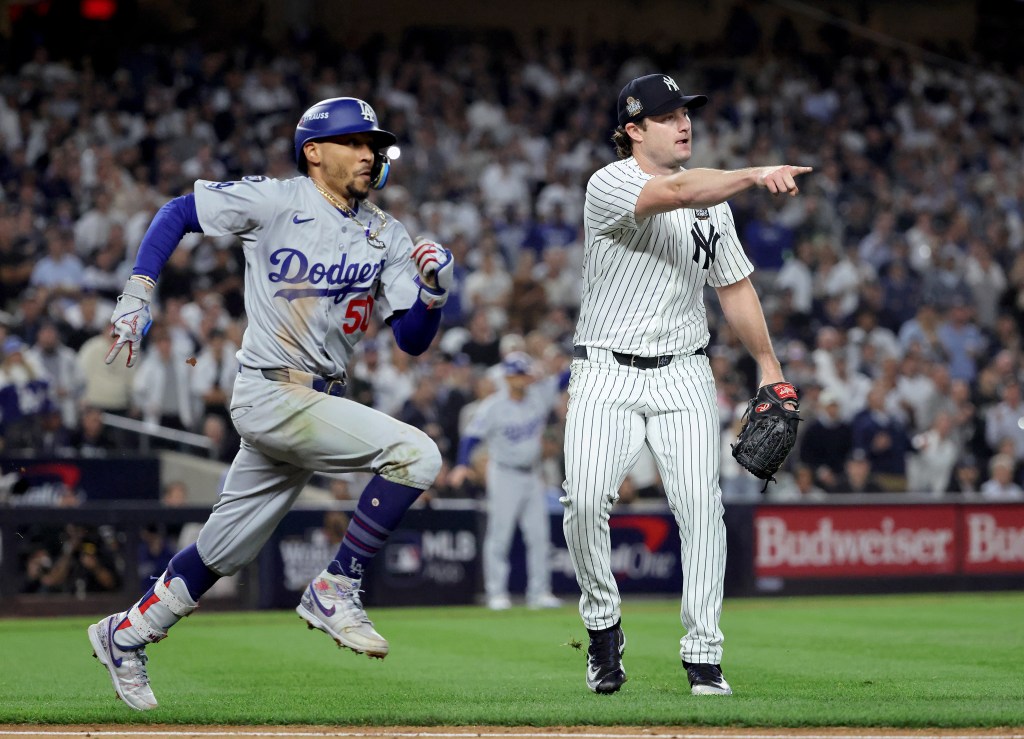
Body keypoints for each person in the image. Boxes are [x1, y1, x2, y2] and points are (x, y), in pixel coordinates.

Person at [88, 97, 454, 711]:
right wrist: (138, 292)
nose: (370, 153)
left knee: (223, 552)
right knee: (417, 456)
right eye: (355, 142)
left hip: (315, 399)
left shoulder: (386, 233)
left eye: (375, 143)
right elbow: (178, 211)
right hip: (271, 389)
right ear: (314, 151)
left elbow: (410, 340)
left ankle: (126, 634)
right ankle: (337, 584)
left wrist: (434, 293)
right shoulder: (278, 199)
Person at [561, 74, 811, 696]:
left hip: (684, 373)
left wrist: (769, 365)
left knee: (703, 511)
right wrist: (755, 174)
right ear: (632, 130)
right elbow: (674, 191)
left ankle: (703, 656)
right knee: (586, 503)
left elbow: (733, 286)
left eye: (686, 112)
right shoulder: (608, 183)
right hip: (605, 372)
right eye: (668, 114)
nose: (683, 122)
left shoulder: (713, 204)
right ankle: (602, 626)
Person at [449, 351, 562, 611]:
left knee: (539, 536)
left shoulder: (537, 398)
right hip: (504, 473)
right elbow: (470, 437)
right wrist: (463, 464)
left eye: (524, 373)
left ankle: (540, 592)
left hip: (533, 475)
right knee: (500, 535)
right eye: (516, 374)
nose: (521, 378)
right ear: (508, 377)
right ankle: (496, 593)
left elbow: (563, 380)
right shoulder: (493, 405)